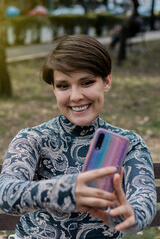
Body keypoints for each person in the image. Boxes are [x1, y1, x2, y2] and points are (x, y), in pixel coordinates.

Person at [0, 35, 157, 239]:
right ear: (54, 89)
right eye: (64, 86)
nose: (75, 96)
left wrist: (130, 217)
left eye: (87, 82)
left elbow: (143, 200)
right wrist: (62, 190)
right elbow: (5, 193)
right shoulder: (32, 138)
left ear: (106, 81)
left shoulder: (130, 145)